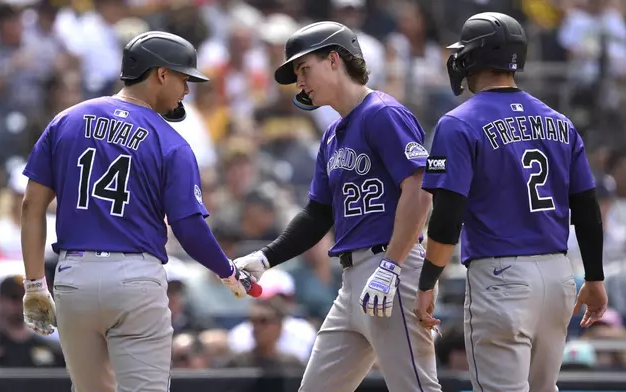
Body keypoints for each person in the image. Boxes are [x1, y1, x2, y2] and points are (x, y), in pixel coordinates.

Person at [19, 31, 259, 392]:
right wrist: (228, 271)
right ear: (161, 73)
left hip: (73, 278)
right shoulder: (170, 141)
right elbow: (189, 229)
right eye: (183, 78)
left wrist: (35, 283)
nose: (187, 90)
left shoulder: (67, 120)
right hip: (134, 280)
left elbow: (31, 206)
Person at [234, 21, 442, 392]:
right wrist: (265, 258)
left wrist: (392, 265)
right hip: (353, 281)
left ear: (333, 59)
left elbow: (420, 189)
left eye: (304, 68)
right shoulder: (333, 133)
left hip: (392, 270)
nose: (299, 81)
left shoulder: (382, 113)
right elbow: (318, 214)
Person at [413, 12, 608, 392]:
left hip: (501, 277)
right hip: (558, 277)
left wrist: (427, 282)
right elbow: (586, 208)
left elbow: (447, 217)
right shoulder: (559, 121)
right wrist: (595, 278)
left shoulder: (458, 122)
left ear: (472, 57)